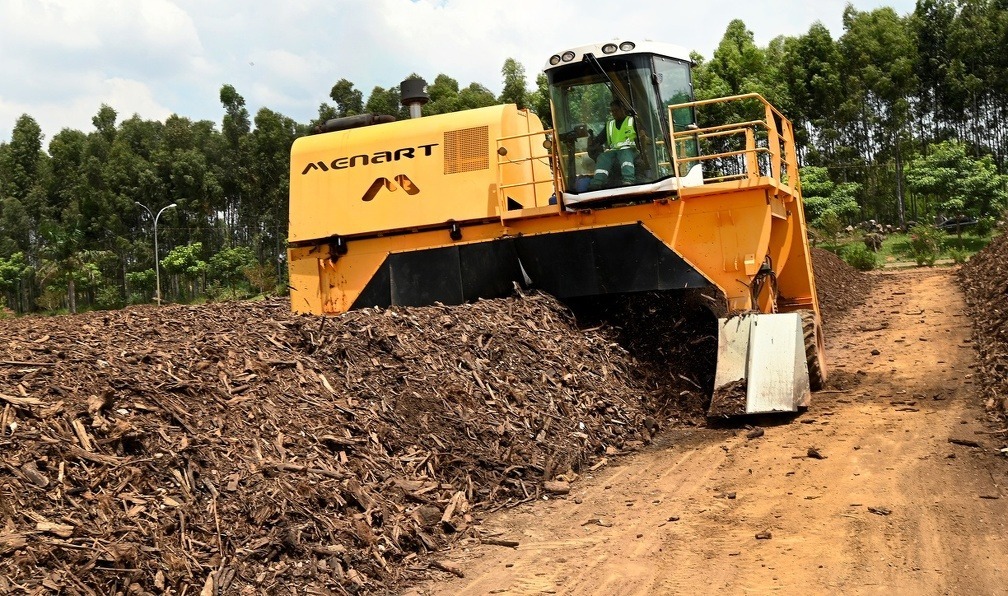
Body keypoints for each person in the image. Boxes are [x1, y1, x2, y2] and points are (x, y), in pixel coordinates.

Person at [589, 100, 636, 189]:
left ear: (623, 109)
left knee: (625, 156)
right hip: (614, 151)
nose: (614, 113)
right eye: (612, 111)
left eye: (616, 110)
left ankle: (628, 180)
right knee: (603, 157)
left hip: (630, 150)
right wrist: (593, 142)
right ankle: (597, 183)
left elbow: (642, 135)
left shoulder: (632, 121)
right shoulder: (609, 124)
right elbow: (600, 139)